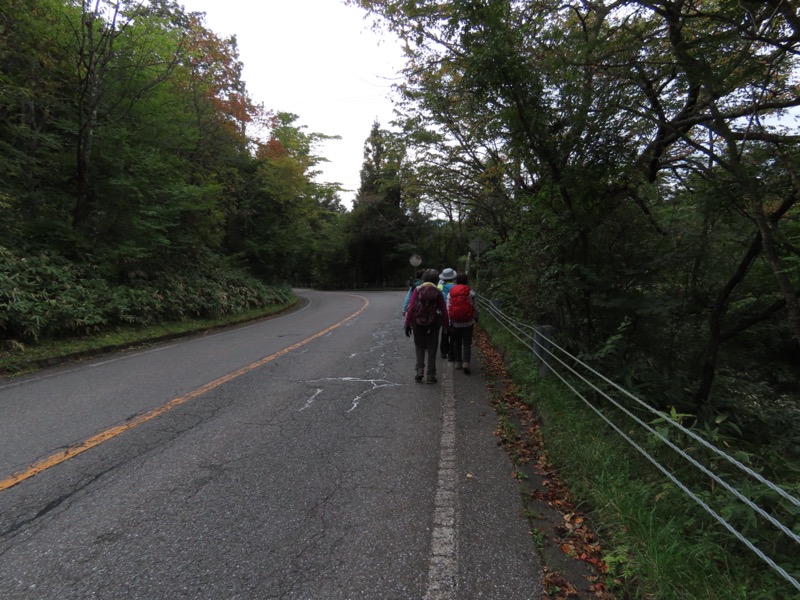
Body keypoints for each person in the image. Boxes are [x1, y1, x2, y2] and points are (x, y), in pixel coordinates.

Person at [404, 268, 449, 383]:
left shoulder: (417, 290)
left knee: (419, 346)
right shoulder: (437, 292)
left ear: (424, 278)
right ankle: (430, 375)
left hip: (418, 322)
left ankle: (419, 371)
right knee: (432, 348)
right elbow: (444, 310)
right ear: (436, 280)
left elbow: (411, 307)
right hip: (433, 323)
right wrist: (446, 325)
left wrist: (407, 323)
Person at [447, 272, 479, 374]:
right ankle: (466, 362)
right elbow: (475, 308)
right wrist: (476, 317)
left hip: (455, 322)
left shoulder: (451, 292)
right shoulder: (471, 293)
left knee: (457, 342)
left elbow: (448, 308)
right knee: (467, 343)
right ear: (466, 281)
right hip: (468, 322)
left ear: (456, 281)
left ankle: (457, 363)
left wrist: (449, 322)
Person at [437, 267, 457, 361]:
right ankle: (451, 353)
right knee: (453, 333)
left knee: (444, 332)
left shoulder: (440, 287)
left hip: (443, 313)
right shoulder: (456, 286)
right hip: (454, 312)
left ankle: (443, 352)